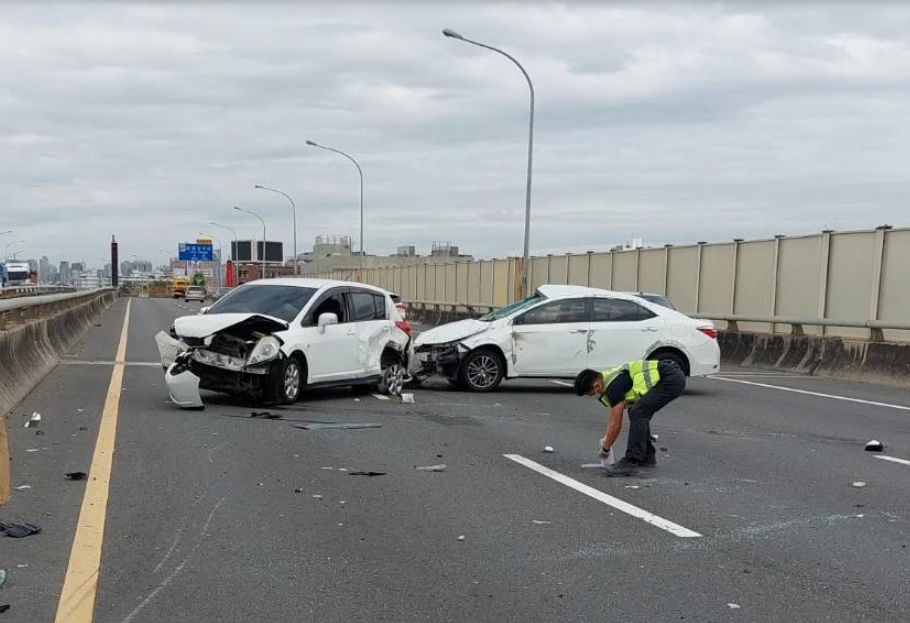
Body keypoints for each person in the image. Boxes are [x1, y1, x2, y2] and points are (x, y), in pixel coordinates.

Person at [574, 359, 686, 476]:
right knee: (636, 411)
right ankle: (647, 455)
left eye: (592, 393)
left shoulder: (613, 387)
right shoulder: (609, 379)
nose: (595, 395)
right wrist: (606, 440)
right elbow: (612, 418)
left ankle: (631, 461)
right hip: (670, 375)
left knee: (638, 413)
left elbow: (616, 423)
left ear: (596, 386)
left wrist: (605, 450)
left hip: (670, 379)